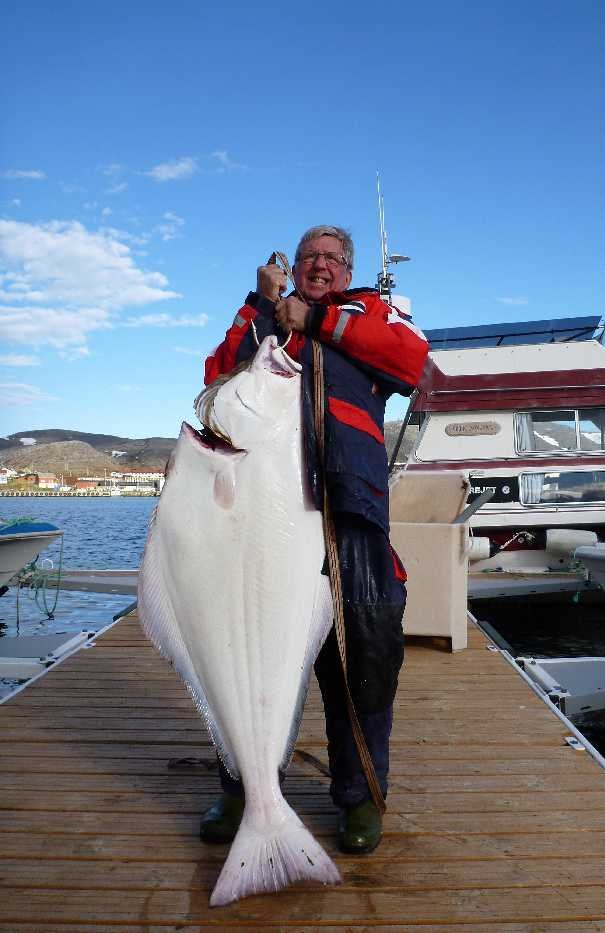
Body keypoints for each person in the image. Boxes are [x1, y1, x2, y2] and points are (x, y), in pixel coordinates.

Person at [199, 225, 428, 853]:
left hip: (350, 521)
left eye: (332, 258)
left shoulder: (371, 315)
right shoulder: (263, 321)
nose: (320, 265)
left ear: (348, 269)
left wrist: (318, 321)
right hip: (263, 519)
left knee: (365, 661)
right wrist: (259, 304)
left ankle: (361, 800)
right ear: (293, 267)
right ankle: (242, 789)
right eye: (309, 258)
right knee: (245, 654)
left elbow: (413, 365)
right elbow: (216, 377)